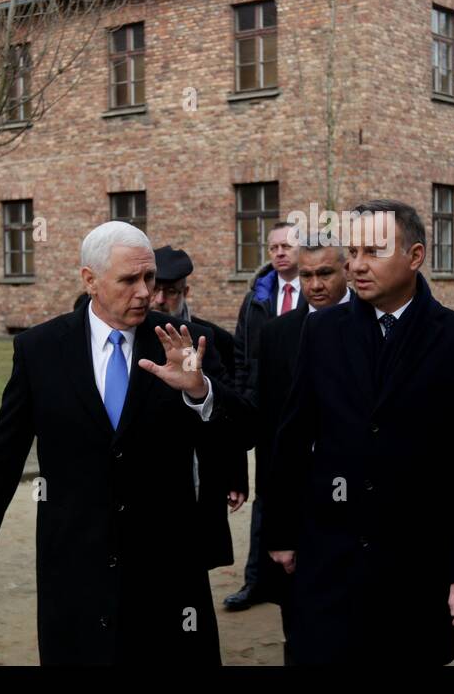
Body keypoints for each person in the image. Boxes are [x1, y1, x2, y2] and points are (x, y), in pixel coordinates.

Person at [0, 221, 247, 666]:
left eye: (150, 278)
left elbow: (243, 432)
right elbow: (0, 460)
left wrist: (200, 391)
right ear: (90, 280)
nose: (144, 292)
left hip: (167, 568)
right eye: (128, 280)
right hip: (76, 566)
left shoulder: (183, 343)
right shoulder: (40, 349)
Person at [263, 200, 454, 664]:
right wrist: (281, 531)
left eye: (374, 251)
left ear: (416, 255)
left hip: (415, 568)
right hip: (329, 561)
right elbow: (291, 437)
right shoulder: (321, 331)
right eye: (353, 251)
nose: (357, 265)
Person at [250, 242, 350, 660]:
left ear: (346, 270)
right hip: (301, 501)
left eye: (325, 273)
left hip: (357, 501)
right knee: (301, 626)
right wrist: (276, 527)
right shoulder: (277, 333)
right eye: (306, 276)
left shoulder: (370, 325)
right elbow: (272, 430)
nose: (315, 285)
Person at [150, 245, 245, 574]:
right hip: (148, 480)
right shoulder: (133, 340)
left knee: (191, 566)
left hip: (198, 474)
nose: (161, 300)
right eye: (155, 290)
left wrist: (237, 475)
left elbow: (230, 414)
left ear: (185, 292)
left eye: (171, 292)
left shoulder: (210, 341)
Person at [227, 221, 304, 610]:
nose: (279, 253)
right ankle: (257, 581)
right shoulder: (257, 297)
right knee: (265, 496)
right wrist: (246, 400)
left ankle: (300, 578)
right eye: (273, 247)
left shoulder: (318, 292)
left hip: (306, 408)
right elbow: (242, 354)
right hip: (266, 409)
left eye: (286, 245)